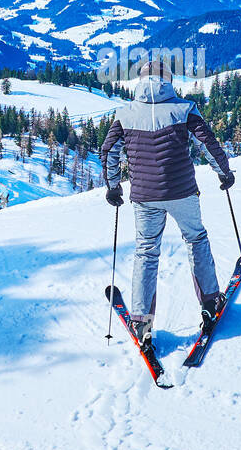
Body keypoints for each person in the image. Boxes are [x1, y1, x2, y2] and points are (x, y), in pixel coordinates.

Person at [100, 58, 234, 354]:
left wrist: (112, 187)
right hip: (183, 191)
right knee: (196, 239)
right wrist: (224, 173)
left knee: (146, 251)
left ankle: (142, 322)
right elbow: (208, 143)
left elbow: (108, 151)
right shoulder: (184, 109)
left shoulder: (124, 114)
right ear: (168, 81)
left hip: (144, 195)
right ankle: (210, 303)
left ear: (140, 81)